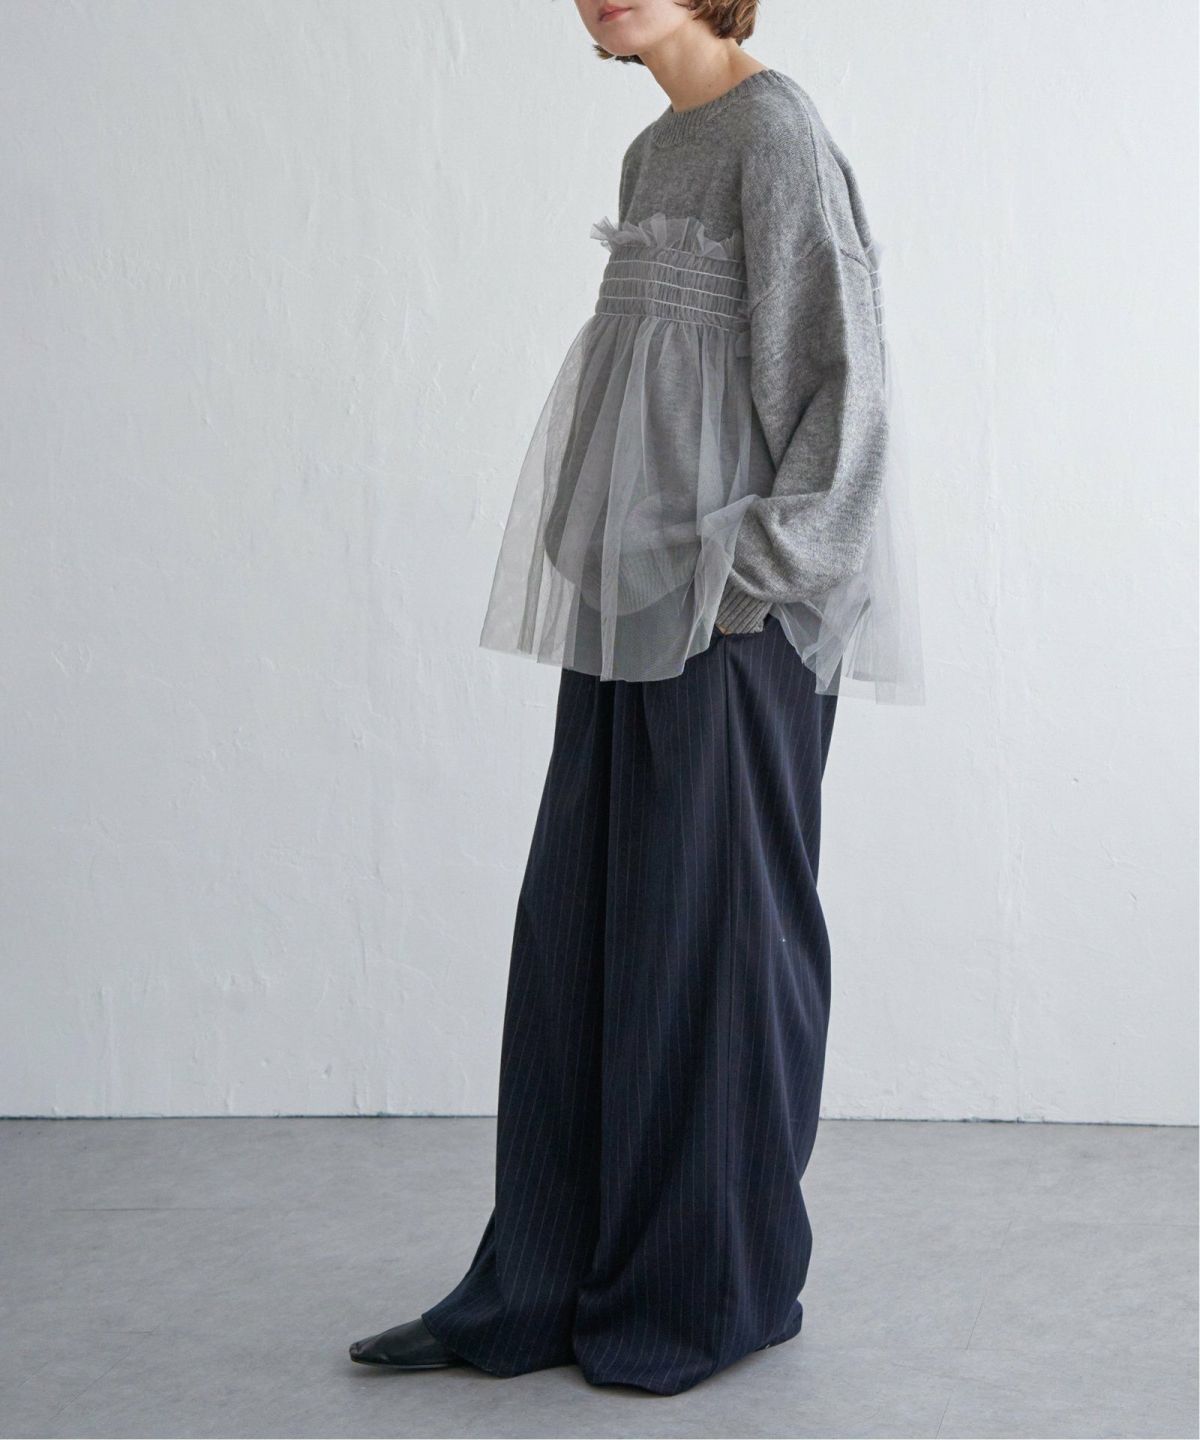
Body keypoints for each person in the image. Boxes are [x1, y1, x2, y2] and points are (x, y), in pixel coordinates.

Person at [349, 0, 924, 1398]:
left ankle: (705, 1291)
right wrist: (601, 550)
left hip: (733, 623)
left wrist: (744, 585)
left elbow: (845, 397)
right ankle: (543, 1280)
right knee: (585, 937)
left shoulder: (776, 137)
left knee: (714, 950)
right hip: (634, 607)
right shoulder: (656, 149)